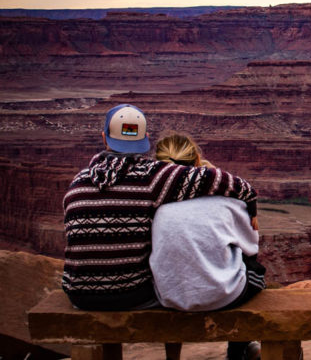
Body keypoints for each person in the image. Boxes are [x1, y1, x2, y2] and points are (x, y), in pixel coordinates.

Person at [62, 104, 258, 313]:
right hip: (131, 296)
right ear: (145, 138)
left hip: (79, 295)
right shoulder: (152, 176)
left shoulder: (77, 183)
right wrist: (251, 205)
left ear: (104, 138)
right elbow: (225, 181)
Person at [150, 132, 265, 360]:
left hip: (169, 297)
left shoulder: (154, 204)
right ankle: (237, 352)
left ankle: (172, 357)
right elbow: (251, 245)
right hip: (221, 296)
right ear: (197, 161)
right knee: (251, 268)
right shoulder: (228, 201)